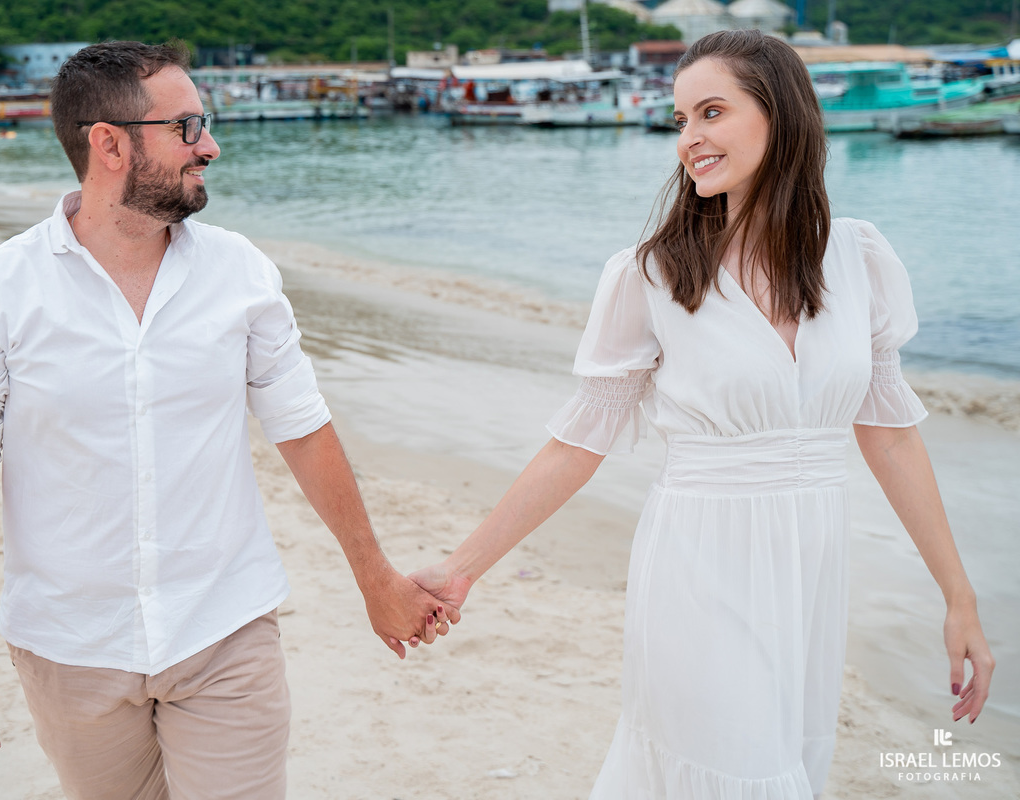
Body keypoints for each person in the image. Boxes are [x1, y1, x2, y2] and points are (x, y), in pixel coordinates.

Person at [409, 30, 994, 799]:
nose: (689, 139)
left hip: (810, 567)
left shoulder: (859, 261)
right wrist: (460, 571)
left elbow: (889, 436)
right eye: (681, 119)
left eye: (711, 112)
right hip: (699, 560)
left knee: (791, 761)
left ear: (780, 116)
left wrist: (959, 597)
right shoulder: (651, 274)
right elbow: (579, 442)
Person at [0, 41, 452, 799]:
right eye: (188, 127)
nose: (211, 146)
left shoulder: (242, 275)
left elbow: (302, 429)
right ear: (109, 144)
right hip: (70, 647)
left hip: (224, 627)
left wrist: (376, 578)